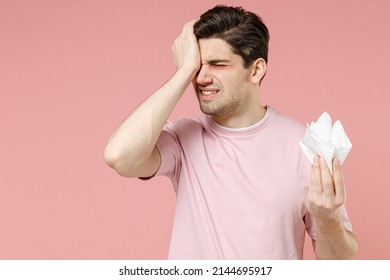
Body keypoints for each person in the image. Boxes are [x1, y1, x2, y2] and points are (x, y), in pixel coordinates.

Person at [104, 5, 358, 259]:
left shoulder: (304, 146)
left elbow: (340, 263)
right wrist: (182, 72)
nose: (201, 77)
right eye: (197, 66)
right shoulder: (183, 139)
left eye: (217, 64)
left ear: (256, 70)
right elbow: (119, 156)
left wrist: (327, 219)